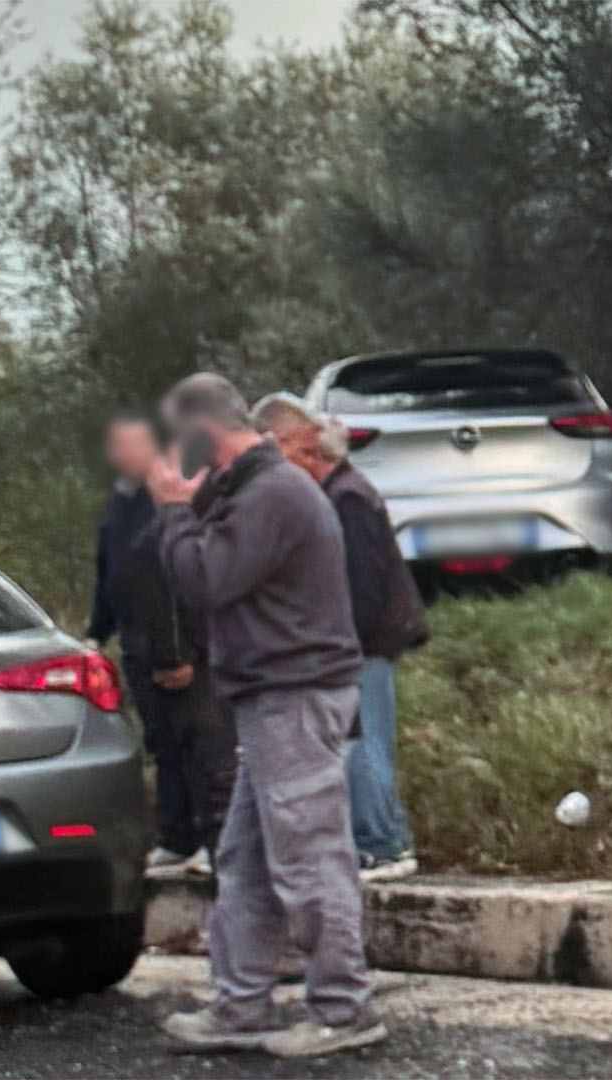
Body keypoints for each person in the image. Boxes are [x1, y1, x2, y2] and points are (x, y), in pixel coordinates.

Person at [150, 373, 384, 1059]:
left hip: (295, 691)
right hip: (274, 691)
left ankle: (343, 1008)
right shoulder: (260, 490)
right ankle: (240, 1004)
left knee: (308, 856)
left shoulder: (272, 493)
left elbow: (206, 580)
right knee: (246, 860)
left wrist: (174, 511)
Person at [251, 393, 427, 883]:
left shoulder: (346, 499)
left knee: (364, 745)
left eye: (309, 455)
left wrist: (338, 641)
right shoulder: (346, 493)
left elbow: (359, 586)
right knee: (361, 742)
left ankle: (383, 843)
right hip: (361, 642)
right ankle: (379, 839)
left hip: (362, 644)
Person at [86, 414, 235, 876]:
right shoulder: (120, 503)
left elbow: (175, 580)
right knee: (164, 745)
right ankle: (177, 836)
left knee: (206, 747)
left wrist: (178, 652)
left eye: (134, 443)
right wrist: (96, 631)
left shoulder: (175, 501)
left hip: (182, 648)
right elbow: (111, 573)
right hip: (137, 643)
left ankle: (218, 844)